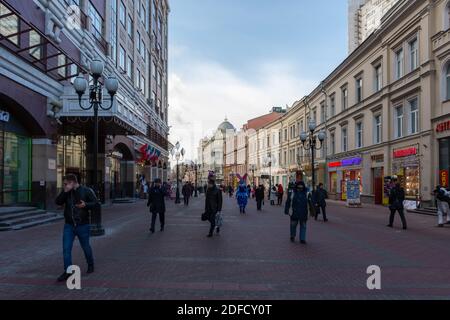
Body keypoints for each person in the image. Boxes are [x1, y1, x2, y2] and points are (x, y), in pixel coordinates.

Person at [55, 174, 98, 282]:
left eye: (66, 183)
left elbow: (96, 204)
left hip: (82, 225)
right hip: (69, 225)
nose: (64, 185)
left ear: (72, 182)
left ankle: (90, 264)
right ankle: (68, 271)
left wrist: (86, 205)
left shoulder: (86, 190)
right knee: (66, 249)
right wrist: (65, 192)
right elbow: (58, 202)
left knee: (85, 247)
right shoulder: (66, 192)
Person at [204, 172, 223, 237]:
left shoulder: (218, 190)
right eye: (208, 183)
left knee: (212, 220)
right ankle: (217, 226)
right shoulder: (208, 190)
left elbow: (220, 201)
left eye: (209, 184)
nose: (208, 185)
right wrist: (206, 208)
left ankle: (210, 233)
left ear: (212, 184)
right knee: (209, 219)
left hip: (215, 208)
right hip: (208, 208)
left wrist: (219, 210)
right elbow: (207, 200)